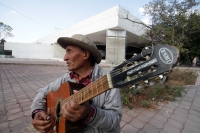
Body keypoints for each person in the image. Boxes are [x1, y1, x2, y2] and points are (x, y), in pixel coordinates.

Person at [31, 34, 122, 133]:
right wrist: (37, 111)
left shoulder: (107, 80)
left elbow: (115, 119)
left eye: (69, 51)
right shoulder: (66, 78)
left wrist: (89, 113)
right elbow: (42, 92)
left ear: (85, 55)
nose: (65, 58)